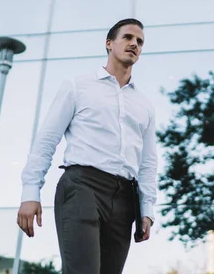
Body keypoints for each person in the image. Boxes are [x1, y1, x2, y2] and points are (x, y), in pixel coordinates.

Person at [17, 18, 157, 274]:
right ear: (109, 43)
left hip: (125, 198)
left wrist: (146, 209)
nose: (134, 44)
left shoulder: (145, 105)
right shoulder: (78, 86)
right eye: (127, 37)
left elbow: (148, 163)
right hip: (83, 187)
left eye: (139, 41)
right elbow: (47, 139)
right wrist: (30, 192)